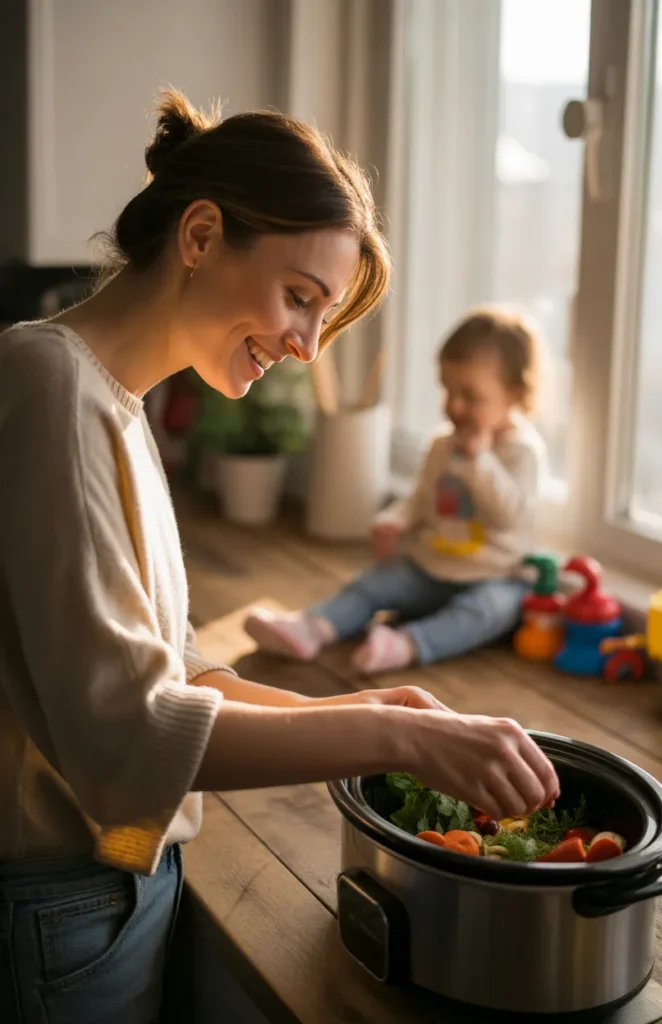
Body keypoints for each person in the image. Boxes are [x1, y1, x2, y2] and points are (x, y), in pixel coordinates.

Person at [0, 91, 558, 1024]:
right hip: (62, 904)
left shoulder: (113, 404)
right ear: (203, 234)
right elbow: (124, 734)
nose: (304, 346)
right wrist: (401, 737)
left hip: (114, 885)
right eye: (300, 296)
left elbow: (166, 666)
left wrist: (348, 708)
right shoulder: (49, 385)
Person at [247, 309, 545, 673]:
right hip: (432, 568)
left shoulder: (521, 451)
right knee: (374, 583)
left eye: (470, 396)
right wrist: (394, 520)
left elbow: (510, 515)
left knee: (494, 610)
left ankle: (406, 644)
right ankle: (314, 626)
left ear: (515, 393)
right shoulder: (442, 444)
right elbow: (421, 499)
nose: (454, 407)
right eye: (448, 391)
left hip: (493, 577)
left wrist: (480, 461)